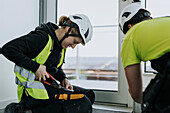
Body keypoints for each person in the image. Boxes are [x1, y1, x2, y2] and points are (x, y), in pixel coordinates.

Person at [1, 14, 95, 113]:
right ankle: (23, 109)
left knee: (89, 95)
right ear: (68, 30)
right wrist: (36, 67)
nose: (73, 46)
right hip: (35, 94)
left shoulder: (61, 47)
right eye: (75, 41)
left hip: (50, 87)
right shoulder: (41, 38)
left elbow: (56, 68)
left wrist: (63, 79)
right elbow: (7, 49)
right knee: (84, 104)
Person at [119, 3, 170, 113]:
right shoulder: (164, 21)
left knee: (150, 104)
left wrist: (145, 98)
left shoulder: (130, 37)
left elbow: (136, 94)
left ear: (129, 26)